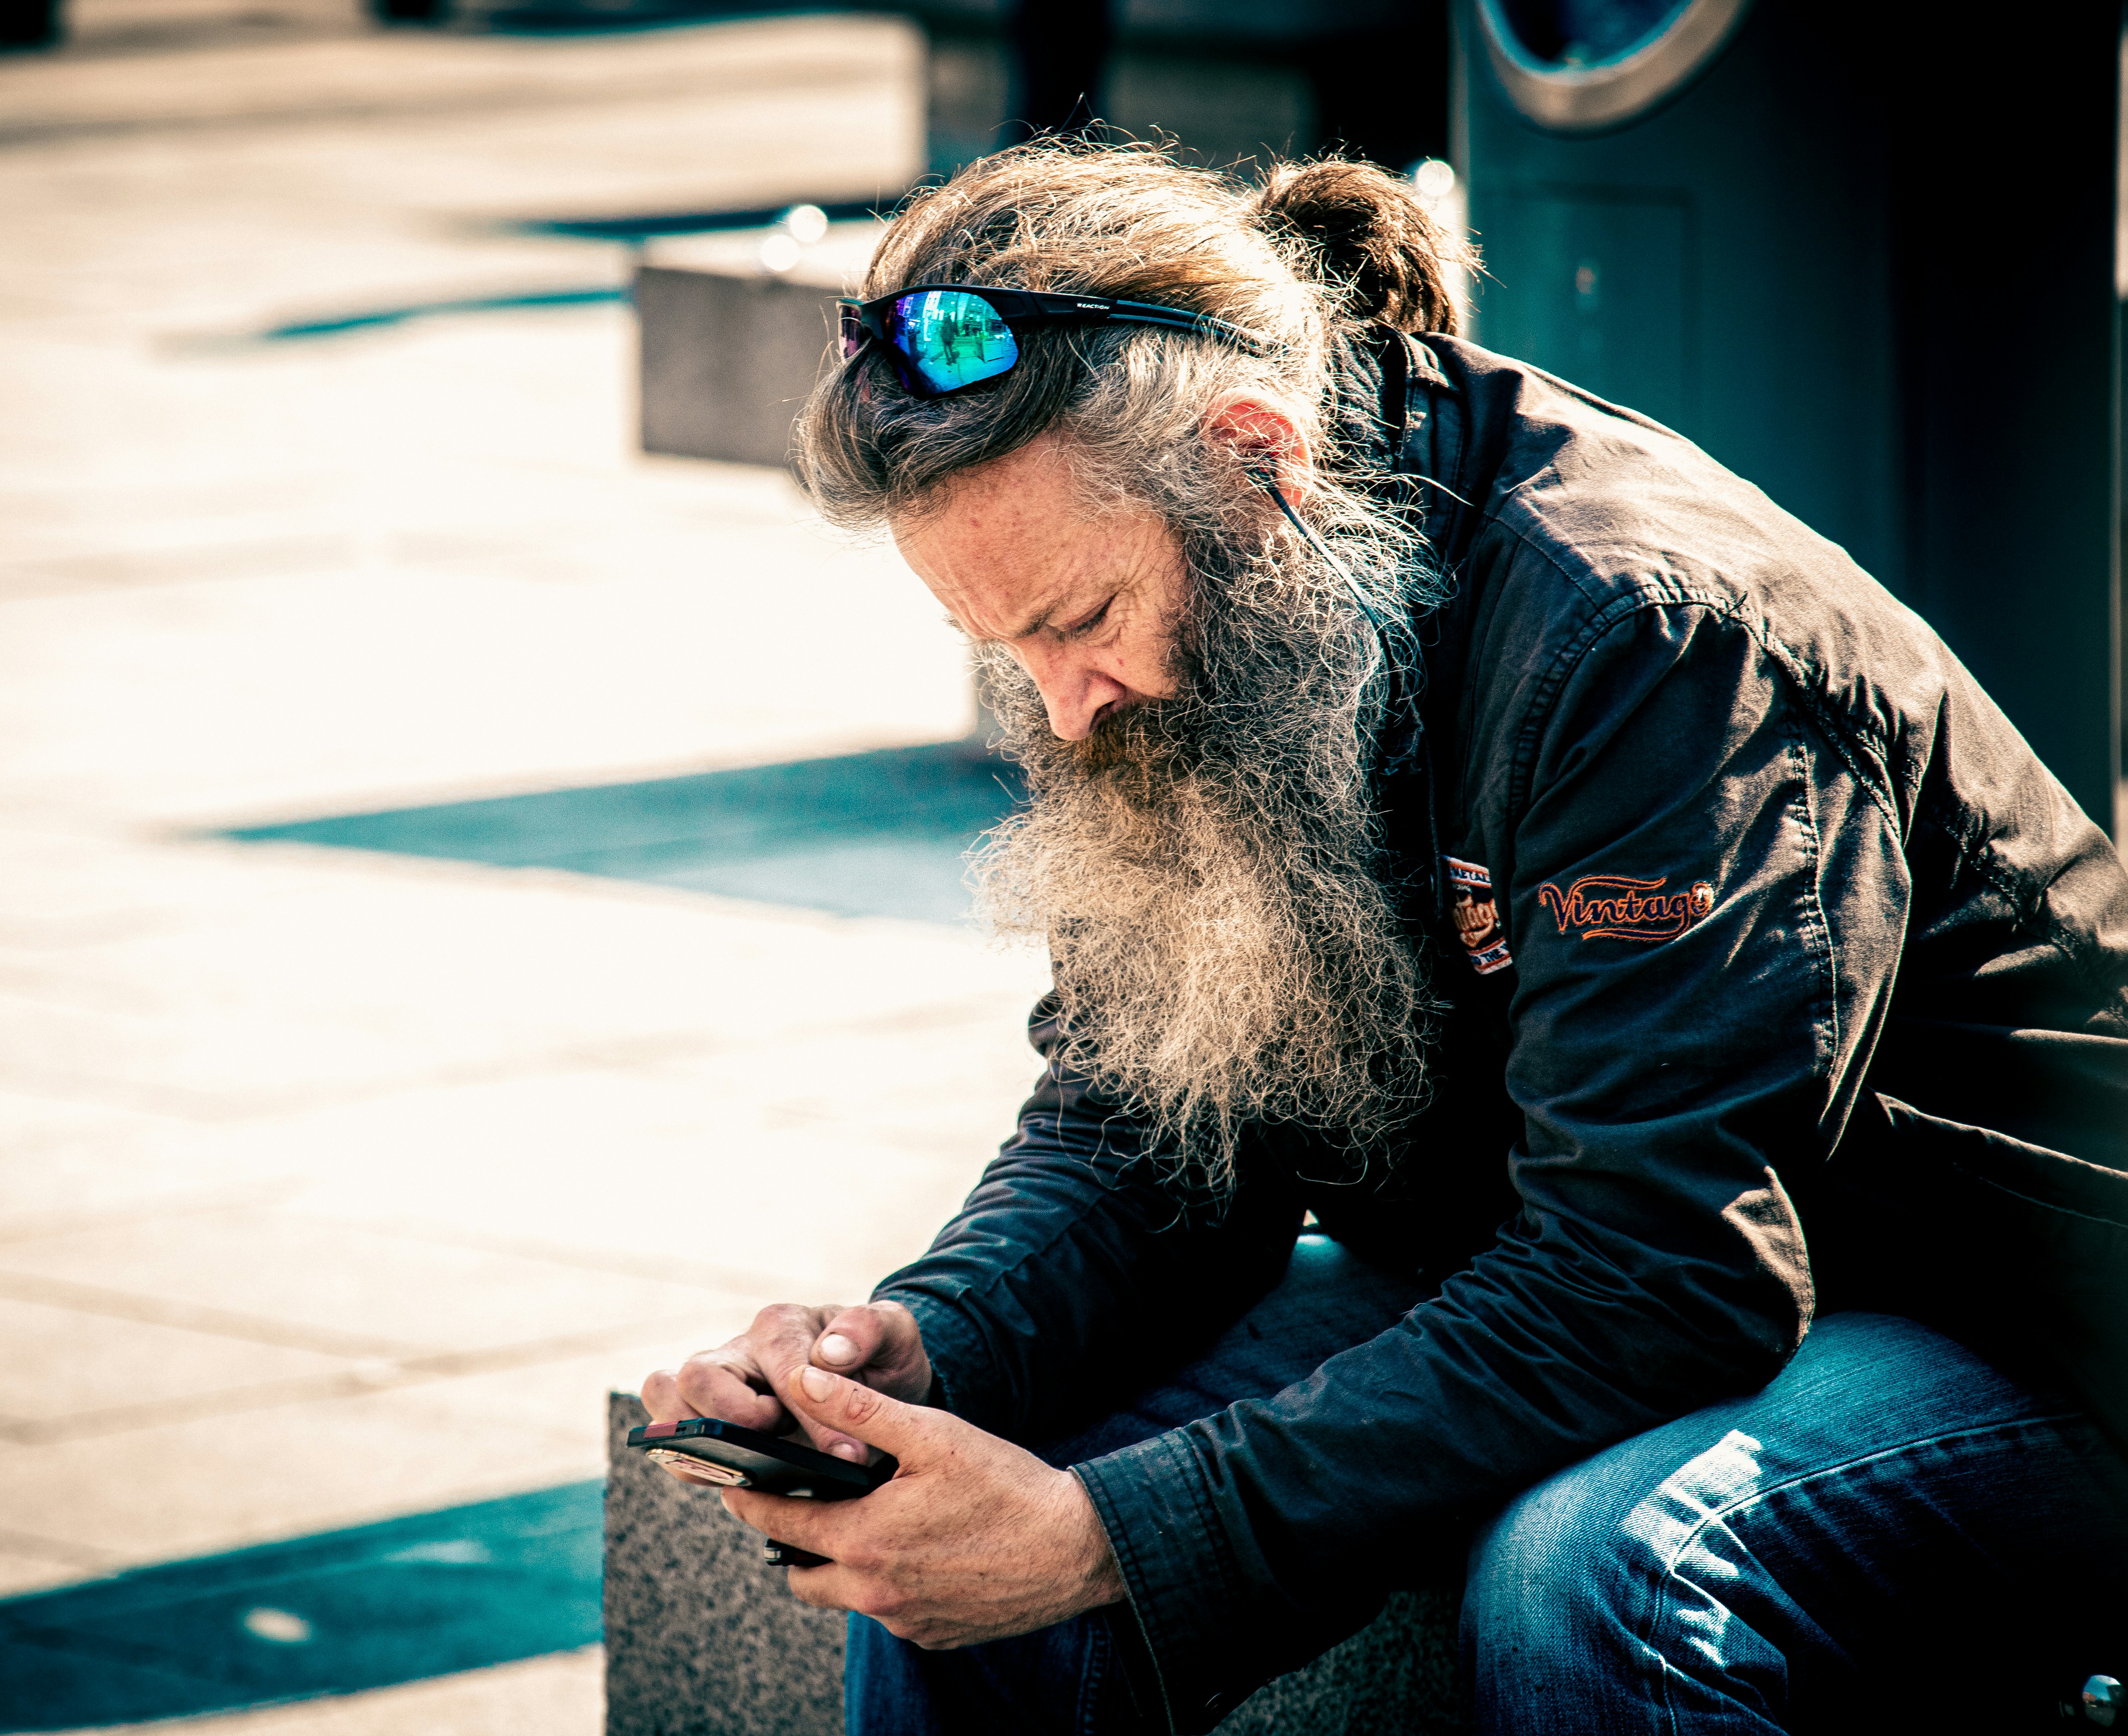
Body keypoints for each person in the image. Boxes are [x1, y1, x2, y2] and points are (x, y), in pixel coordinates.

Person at [640, 144, 2128, 1735]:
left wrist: (1108, 1544)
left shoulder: (1647, 639)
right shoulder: (1204, 602)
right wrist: (930, 1344)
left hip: (2018, 1323)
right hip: (1567, 1261)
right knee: (963, 1517)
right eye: (1001, 650)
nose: (1062, 708)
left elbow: (1660, 1269)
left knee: (1605, 1572)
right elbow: (1151, 1122)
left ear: (1257, 461)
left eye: (1075, 623)